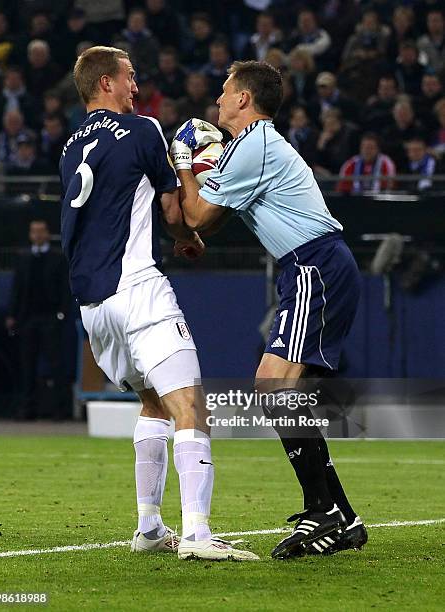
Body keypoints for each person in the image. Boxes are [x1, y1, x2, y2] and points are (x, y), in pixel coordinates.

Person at [59, 45, 257, 562]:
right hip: (138, 287)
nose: (135, 86)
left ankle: (149, 526)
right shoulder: (144, 130)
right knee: (190, 402)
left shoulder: (70, 146)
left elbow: (117, 210)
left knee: (151, 402)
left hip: (92, 304)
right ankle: (197, 535)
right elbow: (176, 212)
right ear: (106, 84)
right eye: (129, 77)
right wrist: (193, 194)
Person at [170, 60, 367, 559]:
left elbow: (196, 214)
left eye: (224, 92)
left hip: (313, 263)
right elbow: (207, 223)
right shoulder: (251, 147)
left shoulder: (254, 144)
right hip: (316, 264)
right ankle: (341, 515)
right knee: (287, 393)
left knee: (272, 386)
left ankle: (322, 511)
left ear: (243, 99)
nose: (217, 101)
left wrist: (183, 162)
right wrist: (200, 177)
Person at [6, 220, 70, 420]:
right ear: (30, 234)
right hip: (28, 319)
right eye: (34, 231)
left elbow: (65, 290)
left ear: (47, 234)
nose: (38, 235)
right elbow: (16, 289)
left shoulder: (58, 258)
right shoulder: (23, 258)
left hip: (50, 317)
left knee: (55, 364)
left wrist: (61, 314)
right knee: (27, 365)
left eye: (41, 231)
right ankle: (27, 408)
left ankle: (60, 409)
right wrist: (12, 315)